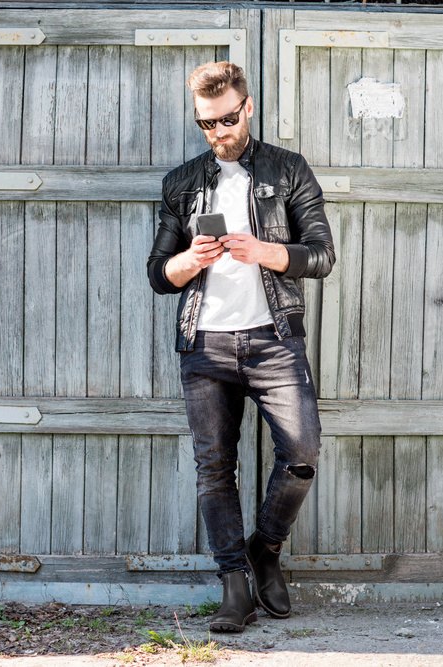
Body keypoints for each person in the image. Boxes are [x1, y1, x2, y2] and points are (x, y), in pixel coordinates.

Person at [147, 61, 335, 632]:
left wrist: (265, 252)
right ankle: (234, 585)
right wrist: (187, 262)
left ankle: (265, 550)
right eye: (207, 124)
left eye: (227, 119)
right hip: (204, 344)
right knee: (214, 469)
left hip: (273, 341)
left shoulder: (288, 169)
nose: (218, 133)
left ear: (247, 107)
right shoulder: (181, 183)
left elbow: (322, 256)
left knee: (302, 453)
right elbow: (158, 274)